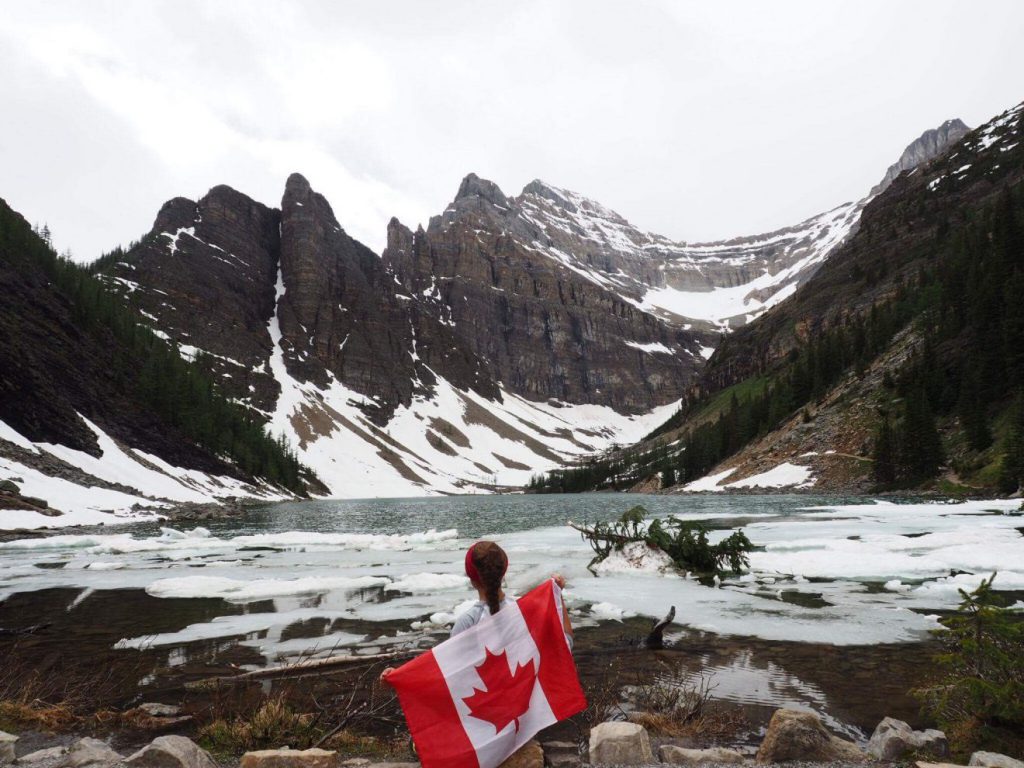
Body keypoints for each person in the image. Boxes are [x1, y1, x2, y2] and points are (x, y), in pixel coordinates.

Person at [381, 540, 573, 684]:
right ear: (504, 572)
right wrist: (558, 598)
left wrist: (400, 676)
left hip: (485, 730)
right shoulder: (524, 612)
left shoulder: (467, 622)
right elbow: (565, 645)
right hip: (525, 728)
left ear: (471, 579)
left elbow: (447, 674)